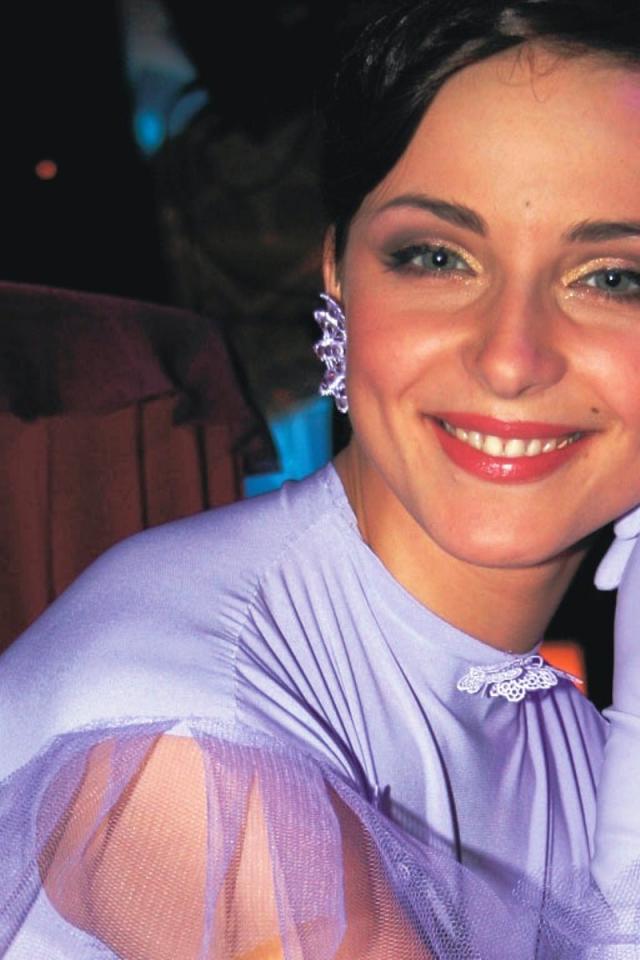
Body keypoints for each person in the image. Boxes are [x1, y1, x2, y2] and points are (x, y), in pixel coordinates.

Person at [3, 1, 640, 956]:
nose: (511, 359)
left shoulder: (554, 722)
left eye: (613, 278)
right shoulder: (188, 750)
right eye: (437, 257)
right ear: (339, 275)